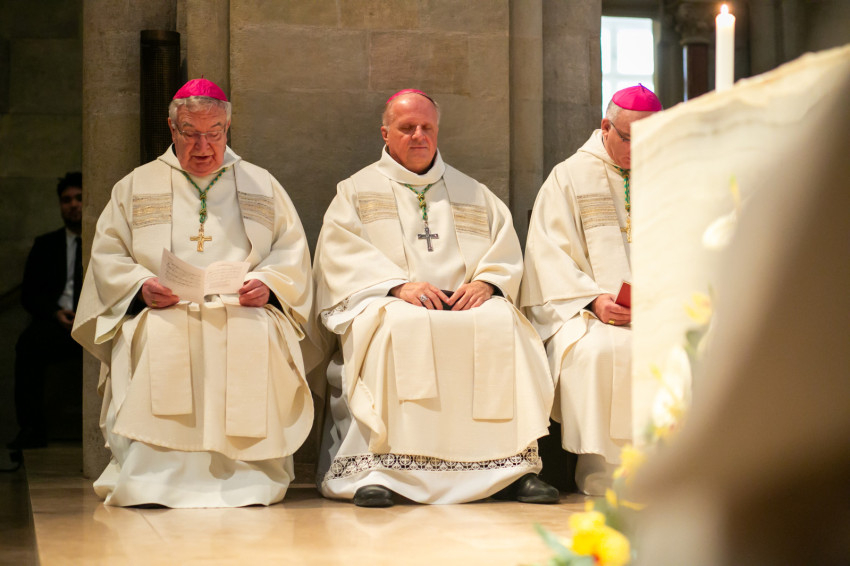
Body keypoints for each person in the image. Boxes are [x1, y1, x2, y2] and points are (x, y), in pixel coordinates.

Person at [71, 78, 316, 508]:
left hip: (242, 307)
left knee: (253, 331)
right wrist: (140, 286)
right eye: (191, 133)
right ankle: (155, 475)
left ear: (227, 129)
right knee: (159, 331)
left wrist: (270, 284)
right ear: (172, 128)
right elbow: (108, 255)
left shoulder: (261, 184)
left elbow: (291, 251)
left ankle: (248, 473)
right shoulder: (136, 185)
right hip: (165, 308)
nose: (203, 147)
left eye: (214, 133)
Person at [313, 89, 558, 507]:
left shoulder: (472, 192)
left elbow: (504, 254)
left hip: (465, 303)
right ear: (385, 133)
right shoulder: (355, 192)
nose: (419, 136)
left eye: (427, 127)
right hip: (392, 303)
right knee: (399, 323)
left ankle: (510, 469)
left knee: (501, 321)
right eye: (407, 127)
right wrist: (396, 286)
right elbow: (338, 258)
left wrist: (487, 284)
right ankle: (382, 470)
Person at [519, 84, 663, 495]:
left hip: (656, 310)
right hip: (586, 311)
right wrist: (593, 299)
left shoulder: (669, 175)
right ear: (605, 127)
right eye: (628, 138)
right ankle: (603, 469)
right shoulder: (568, 177)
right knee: (601, 350)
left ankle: (670, 468)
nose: (637, 150)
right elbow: (546, 254)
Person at [8, 172, 84, 450]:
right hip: (58, 322)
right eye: (66, 200)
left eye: (79, 198)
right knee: (28, 345)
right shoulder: (45, 245)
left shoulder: (105, 241)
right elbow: (29, 294)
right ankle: (31, 428)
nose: (73, 204)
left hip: (95, 323)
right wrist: (55, 313)